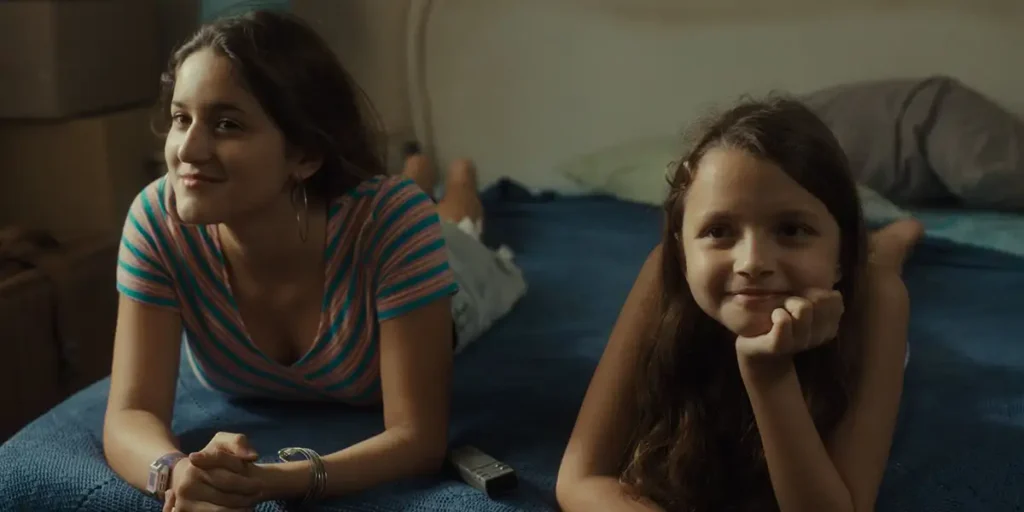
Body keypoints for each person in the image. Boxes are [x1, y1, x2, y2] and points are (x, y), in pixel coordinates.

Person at [102, 10, 524, 512]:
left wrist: (270, 482)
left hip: (449, 278)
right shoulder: (157, 219)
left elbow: (417, 438)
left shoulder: (393, 224)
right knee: (411, 194)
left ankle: (458, 179)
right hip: (372, 214)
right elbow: (130, 413)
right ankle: (416, 166)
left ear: (304, 155)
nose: (187, 149)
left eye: (227, 124)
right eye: (180, 118)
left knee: (456, 224)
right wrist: (173, 471)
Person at [555, 97, 924, 512]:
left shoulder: (879, 300)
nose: (752, 263)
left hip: (861, 276)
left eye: (790, 229)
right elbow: (580, 478)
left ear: (841, 253)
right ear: (681, 251)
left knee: (881, 263)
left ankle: (899, 234)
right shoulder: (663, 274)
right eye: (719, 230)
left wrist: (769, 374)